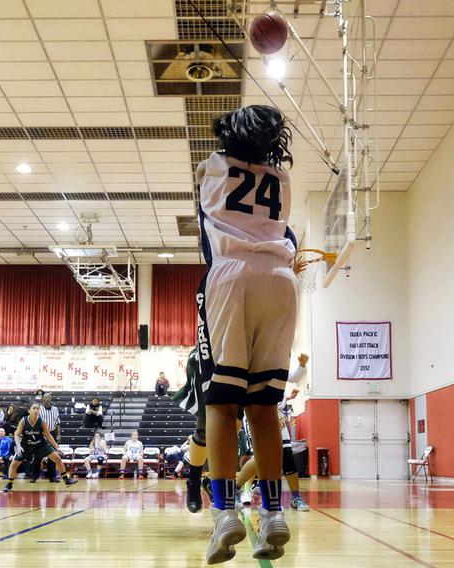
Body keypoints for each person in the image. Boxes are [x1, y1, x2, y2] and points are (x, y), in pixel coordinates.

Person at [197, 105, 297, 563]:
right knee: (264, 404)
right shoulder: (283, 180)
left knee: (221, 401)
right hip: (280, 278)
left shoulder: (211, 167)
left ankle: (224, 512)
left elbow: (207, 232)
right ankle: (275, 512)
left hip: (231, 274)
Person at [3, 403, 76, 492]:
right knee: (13, 464)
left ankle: (66, 480)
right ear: (29, 411)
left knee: (57, 459)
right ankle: (9, 484)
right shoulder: (23, 421)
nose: (36, 410)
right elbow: (17, 434)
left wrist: (57, 447)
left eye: (38, 408)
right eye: (34, 408)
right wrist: (18, 446)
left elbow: (48, 435)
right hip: (26, 445)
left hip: (40, 444)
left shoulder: (41, 421)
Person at [173, 346, 211, 513]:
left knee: (232, 431)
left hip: (240, 353)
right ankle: (194, 481)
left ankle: (216, 483)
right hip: (210, 352)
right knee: (204, 431)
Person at [37, 393, 61, 482]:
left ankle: (52, 477)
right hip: (41, 433)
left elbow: (58, 422)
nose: (48, 399)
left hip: (52, 433)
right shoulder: (39, 409)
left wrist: (58, 434)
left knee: (53, 455)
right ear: (43, 399)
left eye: (50, 397)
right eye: (46, 397)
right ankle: (34, 476)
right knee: (37, 455)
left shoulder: (55, 409)